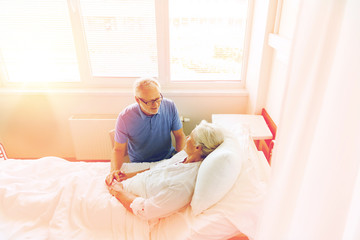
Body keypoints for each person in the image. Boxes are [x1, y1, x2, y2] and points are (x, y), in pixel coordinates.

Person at [107, 120, 224, 220]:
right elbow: (159, 167)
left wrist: (118, 192)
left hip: (127, 200)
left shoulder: (183, 184)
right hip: (126, 185)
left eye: (190, 137)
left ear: (198, 147)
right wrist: (128, 175)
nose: (187, 137)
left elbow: (146, 209)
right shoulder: (184, 155)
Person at [106, 77, 186, 186]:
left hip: (166, 159)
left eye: (158, 99)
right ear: (137, 100)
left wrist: (179, 158)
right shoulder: (125, 117)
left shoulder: (170, 106)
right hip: (140, 164)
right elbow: (118, 149)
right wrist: (114, 171)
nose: (156, 105)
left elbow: (180, 136)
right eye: (149, 102)